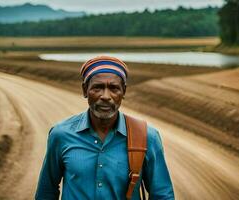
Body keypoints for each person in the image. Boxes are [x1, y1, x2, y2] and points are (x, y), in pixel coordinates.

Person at [35, 56, 174, 200]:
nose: (106, 96)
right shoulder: (61, 135)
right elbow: (46, 192)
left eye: (114, 88)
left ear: (123, 92)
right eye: (98, 87)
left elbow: (162, 195)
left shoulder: (147, 137)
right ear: (85, 90)